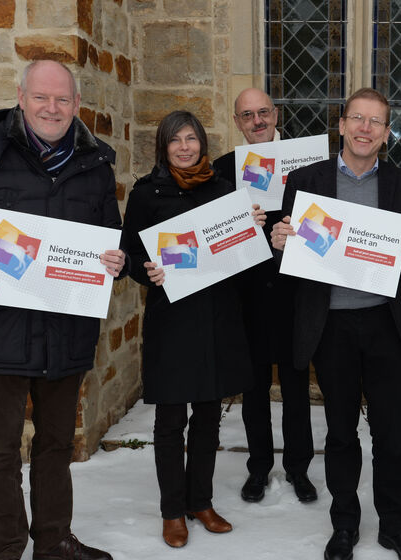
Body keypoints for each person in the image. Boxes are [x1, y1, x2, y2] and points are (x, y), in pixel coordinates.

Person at [0, 60, 124, 560]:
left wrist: (113, 260)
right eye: (42, 98)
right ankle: (8, 549)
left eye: (62, 100)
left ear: (77, 105)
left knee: (56, 447)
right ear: (21, 97)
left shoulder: (95, 164)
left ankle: (53, 541)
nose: (52, 108)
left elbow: (107, 234)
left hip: (66, 330)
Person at [271, 88, 401, 560]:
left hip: (385, 323)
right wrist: (278, 239)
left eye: (376, 121)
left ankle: (396, 526)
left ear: (386, 133)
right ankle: (344, 525)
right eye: (357, 119)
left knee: (391, 432)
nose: (365, 128)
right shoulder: (305, 181)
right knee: (340, 432)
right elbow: (290, 255)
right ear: (340, 125)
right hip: (331, 327)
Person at [121, 111, 263, 548]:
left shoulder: (224, 191)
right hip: (172, 320)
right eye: (175, 141)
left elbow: (241, 261)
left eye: (192, 139)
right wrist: (150, 273)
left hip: (216, 319)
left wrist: (250, 230)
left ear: (202, 143)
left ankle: (200, 501)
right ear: (163, 148)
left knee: (208, 418)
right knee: (169, 420)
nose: (185, 147)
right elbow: (129, 256)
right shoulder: (147, 195)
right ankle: (171, 511)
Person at [213, 88, 317, 504]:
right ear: (237, 122)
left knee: (296, 389)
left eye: (263, 112)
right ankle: (258, 468)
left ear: (275, 115)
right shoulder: (222, 172)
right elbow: (213, 238)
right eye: (247, 115)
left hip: (295, 295)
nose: (257, 121)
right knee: (253, 390)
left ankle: (299, 469)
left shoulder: (307, 165)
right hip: (247, 298)